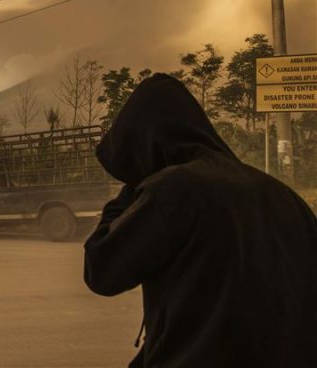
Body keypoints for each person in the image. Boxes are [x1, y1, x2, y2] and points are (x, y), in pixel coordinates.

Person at [83, 73, 317, 367]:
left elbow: (102, 271)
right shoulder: (283, 196)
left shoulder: (173, 190)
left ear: (145, 146)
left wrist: (131, 189)